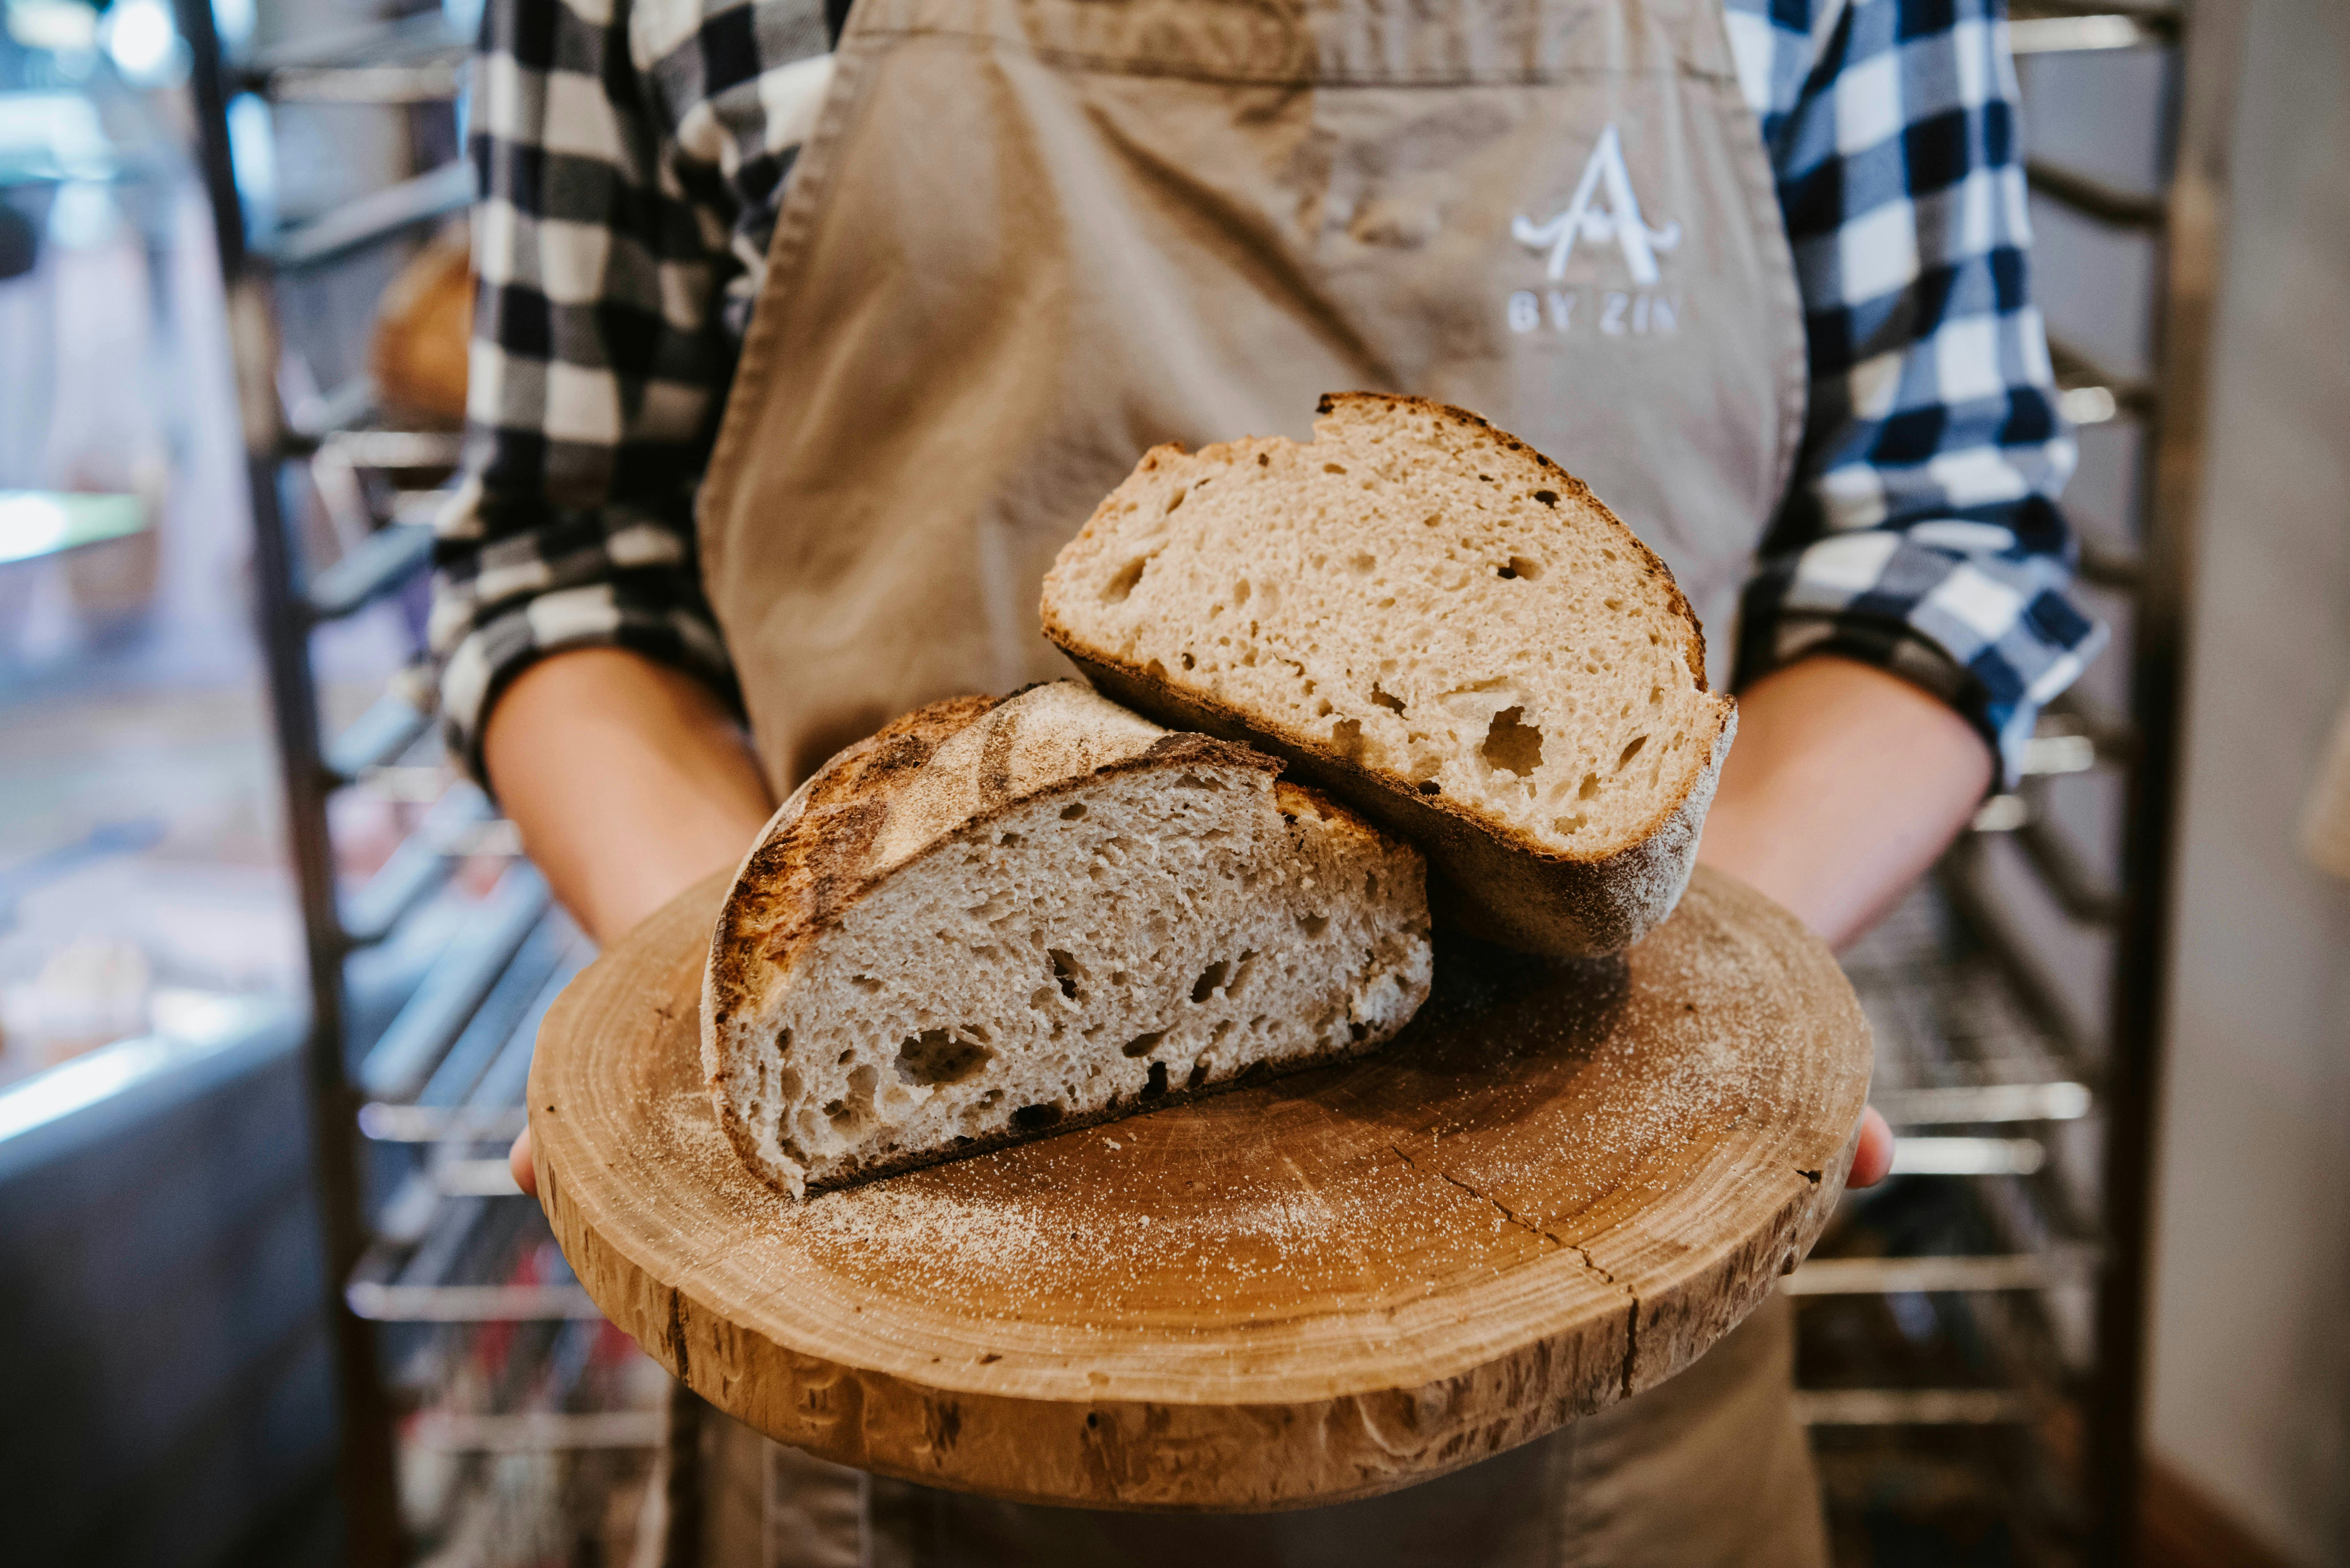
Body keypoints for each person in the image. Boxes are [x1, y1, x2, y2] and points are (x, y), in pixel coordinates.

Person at [435, 0, 2101, 1558]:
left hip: (1610, 1424)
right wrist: (736, 1011)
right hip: (869, 1409)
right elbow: (567, 558)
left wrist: (1695, 1007)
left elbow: (1940, 539)